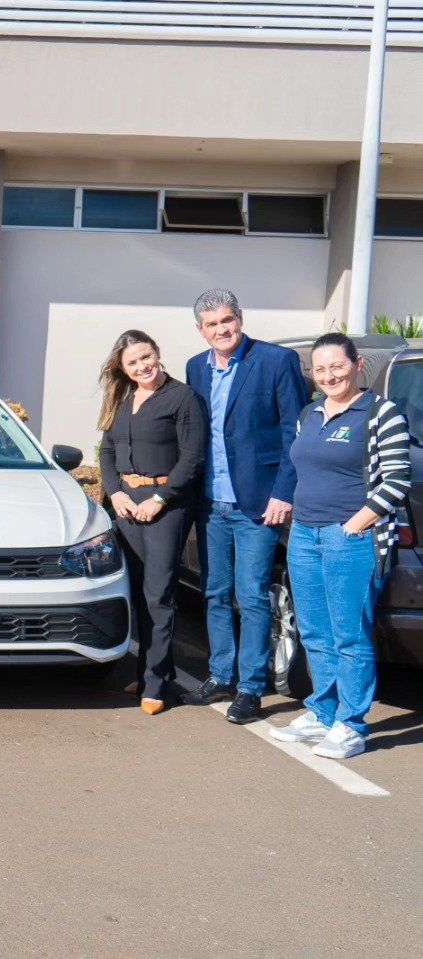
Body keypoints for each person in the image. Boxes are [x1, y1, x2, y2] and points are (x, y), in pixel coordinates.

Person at [269, 333, 409, 759]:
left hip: (350, 537)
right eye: (321, 369)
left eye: (338, 366)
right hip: (305, 535)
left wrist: (354, 525)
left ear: (357, 364)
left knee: (350, 635)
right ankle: (322, 713)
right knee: (315, 631)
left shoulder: (381, 414)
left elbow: (397, 481)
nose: (329, 375)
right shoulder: (308, 414)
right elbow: (299, 470)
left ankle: (351, 725)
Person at [183, 289, 308, 724]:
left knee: (251, 596)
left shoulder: (276, 361)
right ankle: (221, 675)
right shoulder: (195, 368)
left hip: (259, 503)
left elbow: (297, 431)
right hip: (211, 501)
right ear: (201, 330)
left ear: (240, 318)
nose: (222, 330)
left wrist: (284, 492)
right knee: (215, 592)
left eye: (227, 321)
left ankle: (251, 687)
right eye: (212, 325)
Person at [98, 331, 206, 714]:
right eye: (133, 362)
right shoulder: (122, 399)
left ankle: (158, 684)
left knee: (160, 595)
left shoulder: (182, 397)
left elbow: (192, 458)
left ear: (158, 352)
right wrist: (117, 493)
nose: (142, 366)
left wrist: (160, 499)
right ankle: (146, 672)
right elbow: (107, 450)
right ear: (123, 368)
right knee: (140, 591)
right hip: (128, 504)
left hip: (167, 505)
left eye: (146, 357)